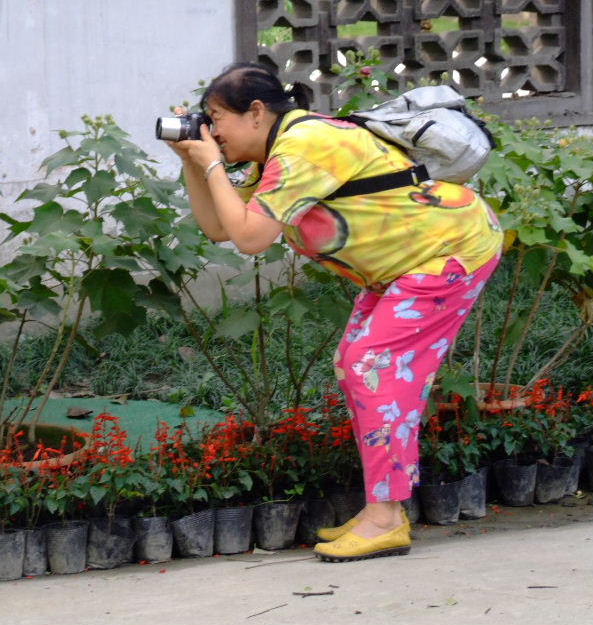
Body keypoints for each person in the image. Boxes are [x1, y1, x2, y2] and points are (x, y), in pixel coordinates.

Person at [167, 62, 503, 562]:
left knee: (372, 365)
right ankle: (385, 508)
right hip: (406, 265)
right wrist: (194, 161)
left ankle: (386, 517)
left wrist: (211, 161)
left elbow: (250, 238)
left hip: (450, 252)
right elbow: (221, 226)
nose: (212, 131)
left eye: (216, 118)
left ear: (256, 113)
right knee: (357, 366)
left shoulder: (307, 145)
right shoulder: (279, 155)